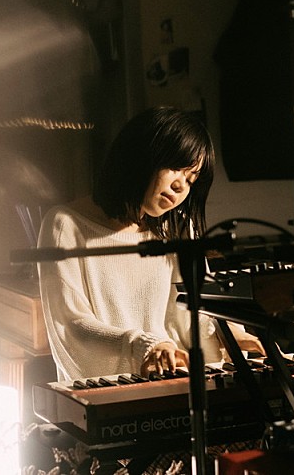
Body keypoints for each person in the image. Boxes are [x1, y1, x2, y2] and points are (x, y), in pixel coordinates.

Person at [38, 106, 261, 382]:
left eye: (191, 179)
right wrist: (143, 346)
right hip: (107, 390)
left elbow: (192, 312)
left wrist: (228, 335)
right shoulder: (65, 224)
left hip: (173, 379)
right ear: (141, 156)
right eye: (176, 168)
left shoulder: (177, 228)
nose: (181, 186)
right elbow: (70, 324)